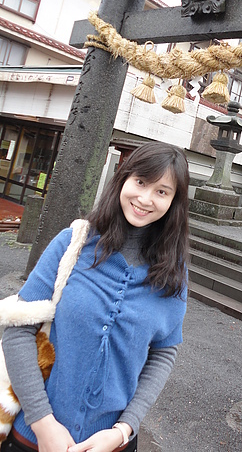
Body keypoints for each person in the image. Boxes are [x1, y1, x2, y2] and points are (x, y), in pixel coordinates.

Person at [2, 141, 190, 452]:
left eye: (162, 191)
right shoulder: (72, 244)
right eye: (140, 182)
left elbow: (163, 353)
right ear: (123, 179)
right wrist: (42, 423)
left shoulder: (173, 272)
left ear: (174, 201)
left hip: (112, 443)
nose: (145, 199)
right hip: (33, 438)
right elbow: (18, 330)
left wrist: (122, 430)